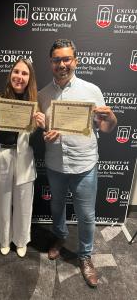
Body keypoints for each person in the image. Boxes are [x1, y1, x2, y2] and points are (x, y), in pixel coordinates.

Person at [38, 39, 117, 287]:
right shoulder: (42, 95)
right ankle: (60, 238)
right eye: (56, 60)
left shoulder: (92, 91)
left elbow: (105, 127)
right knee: (57, 208)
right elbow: (41, 128)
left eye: (66, 59)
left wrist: (112, 118)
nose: (62, 64)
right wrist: (44, 130)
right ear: (51, 63)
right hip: (56, 164)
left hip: (84, 165)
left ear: (75, 61)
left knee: (85, 215)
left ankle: (84, 256)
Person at [0, 58, 45, 258]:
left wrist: (39, 126)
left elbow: (37, 144)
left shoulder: (34, 105)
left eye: (24, 73)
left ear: (30, 78)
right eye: (16, 72)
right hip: (1, 154)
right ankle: (4, 239)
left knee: (23, 201)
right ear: (10, 74)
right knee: (2, 201)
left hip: (24, 157)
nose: (19, 77)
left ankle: (20, 240)